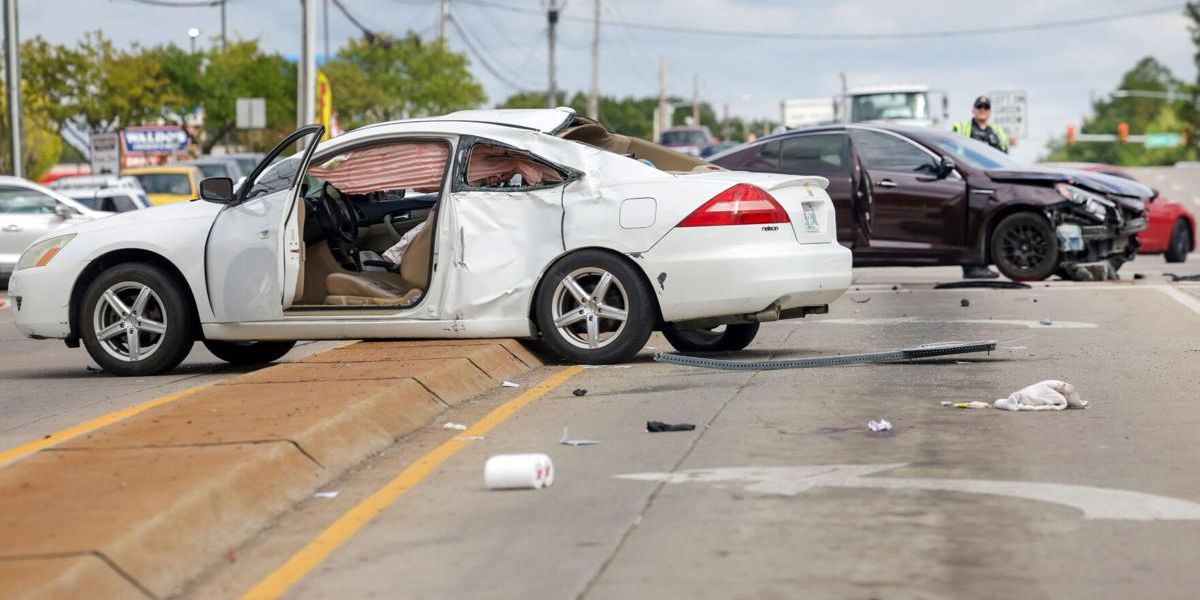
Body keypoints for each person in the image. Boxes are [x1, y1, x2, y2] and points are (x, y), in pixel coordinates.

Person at [953, 96, 1009, 279]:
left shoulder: (998, 132)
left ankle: (981, 264)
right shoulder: (962, 128)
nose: (982, 110)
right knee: (972, 222)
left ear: (990, 111)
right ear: (973, 109)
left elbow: (1004, 158)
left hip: (991, 182)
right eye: (979, 107)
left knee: (987, 222)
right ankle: (971, 266)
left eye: (986, 107)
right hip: (970, 181)